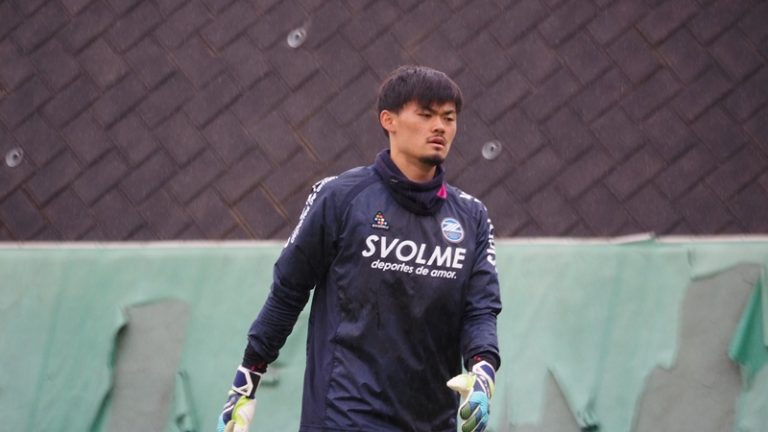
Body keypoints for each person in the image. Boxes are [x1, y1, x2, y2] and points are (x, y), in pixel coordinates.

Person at [216, 65, 502, 432]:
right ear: (388, 120)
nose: (440, 127)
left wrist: (483, 371)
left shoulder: (471, 217)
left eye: (449, 118)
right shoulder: (340, 197)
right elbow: (288, 292)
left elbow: (480, 310)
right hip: (344, 416)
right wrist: (246, 382)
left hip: (432, 421)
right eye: (426, 115)